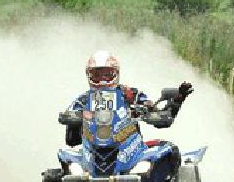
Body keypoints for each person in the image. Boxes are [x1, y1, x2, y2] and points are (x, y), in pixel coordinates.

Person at [64, 50, 194, 148]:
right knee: (62, 165)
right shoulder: (84, 100)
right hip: (92, 152)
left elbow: (162, 117)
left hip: (130, 150)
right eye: (97, 75)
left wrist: (177, 100)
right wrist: (73, 117)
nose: (102, 79)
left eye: (106, 74)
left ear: (116, 73)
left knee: (169, 150)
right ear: (89, 75)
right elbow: (68, 118)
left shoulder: (131, 94)